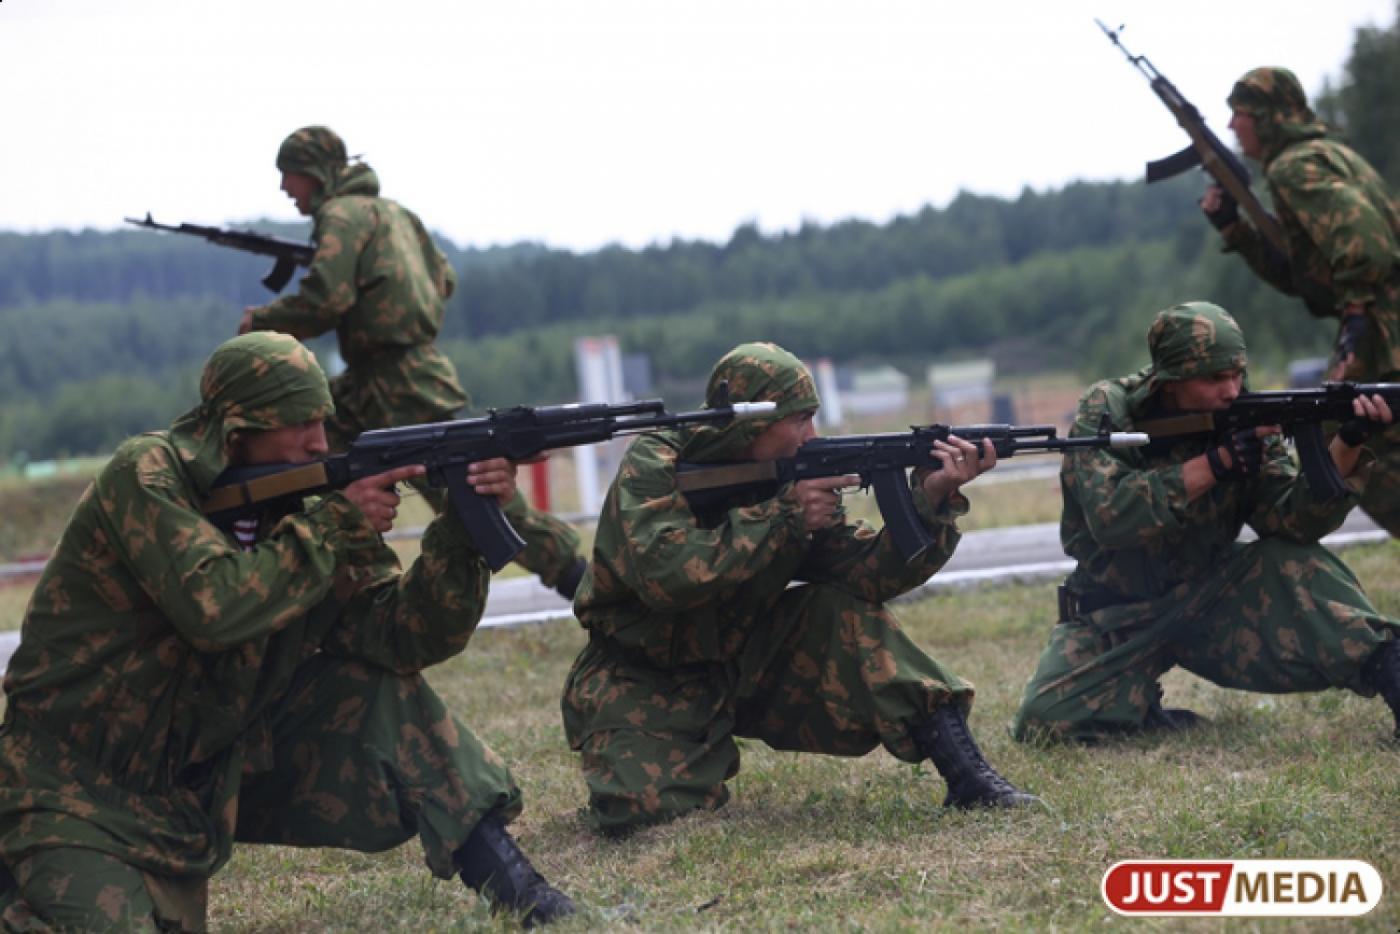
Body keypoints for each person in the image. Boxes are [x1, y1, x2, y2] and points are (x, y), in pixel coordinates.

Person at [0, 333, 575, 929]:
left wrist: (461, 527)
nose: (319, 442)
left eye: (323, 421)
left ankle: (523, 893)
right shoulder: (148, 476)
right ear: (238, 427)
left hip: (199, 769)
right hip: (73, 785)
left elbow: (400, 636)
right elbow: (215, 608)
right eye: (299, 423)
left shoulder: (305, 502)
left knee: (379, 694)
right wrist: (334, 525)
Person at [559, 342, 1040, 836]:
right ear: (751, 423)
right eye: (799, 420)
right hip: (642, 674)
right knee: (646, 816)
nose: (812, 436)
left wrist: (930, 502)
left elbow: (867, 576)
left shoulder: (792, 475)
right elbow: (668, 576)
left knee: (839, 612)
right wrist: (785, 515)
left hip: (746, 657)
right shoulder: (655, 462)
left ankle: (967, 775)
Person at [1012, 302, 1400, 745]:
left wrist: (1346, 444)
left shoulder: (1246, 417)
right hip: (1116, 611)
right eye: (1214, 378)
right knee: (1043, 725)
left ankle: (1390, 666)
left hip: (1211, 597)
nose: (1232, 390)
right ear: (1170, 378)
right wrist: (1216, 464)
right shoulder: (1108, 408)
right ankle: (1136, 705)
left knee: (1294, 563)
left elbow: (1291, 520)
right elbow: (1111, 517)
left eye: (1237, 373)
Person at [240, 125, 587, 599]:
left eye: (289, 175)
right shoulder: (397, 215)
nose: (284, 189)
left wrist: (261, 322)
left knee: (473, 493)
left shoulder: (340, 215)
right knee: (305, 473)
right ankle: (304, 590)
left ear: (313, 172)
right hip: (385, 378)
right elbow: (443, 279)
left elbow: (328, 298)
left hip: (395, 383)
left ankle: (585, 583)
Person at [1200, 67, 1400, 537]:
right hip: (1383, 321)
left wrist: (1353, 324)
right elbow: (1308, 279)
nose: (1232, 127)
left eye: (1240, 114)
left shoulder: (1295, 167)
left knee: (1343, 431)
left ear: (1267, 118)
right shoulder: (1329, 155)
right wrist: (1236, 229)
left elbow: (1366, 247)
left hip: (1381, 328)